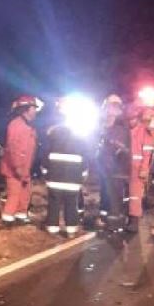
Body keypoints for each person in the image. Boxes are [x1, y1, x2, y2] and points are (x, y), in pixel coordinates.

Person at [41, 98, 89, 236]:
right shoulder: (80, 136)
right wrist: (83, 176)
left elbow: (45, 156)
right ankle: (71, 230)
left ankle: (52, 229)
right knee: (71, 204)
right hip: (73, 179)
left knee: (54, 204)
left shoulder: (52, 135)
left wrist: (45, 173)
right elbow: (85, 159)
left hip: (54, 177)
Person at [0, 94, 42, 226]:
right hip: (14, 169)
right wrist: (18, 168)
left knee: (25, 194)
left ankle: (20, 216)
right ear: (26, 109)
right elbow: (13, 148)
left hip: (25, 169)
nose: (35, 111)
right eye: (33, 108)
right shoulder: (16, 125)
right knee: (15, 195)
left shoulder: (29, 127)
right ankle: (7, 221)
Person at [97, 94, 130, 232]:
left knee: (115, 196)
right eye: (109, 107)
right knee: (105, 193)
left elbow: (122, 148)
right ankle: (105, 218)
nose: (110, 110)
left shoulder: (121, 127)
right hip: (104, 165)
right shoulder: (102, 124)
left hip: (116, 169)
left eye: (114, 107)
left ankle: (115, 224)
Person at [126, 108, 154, 233]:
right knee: (129, 194)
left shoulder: (145, 132)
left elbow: (147, 153)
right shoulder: (133, 130)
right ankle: (128, 216)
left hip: (138, 168)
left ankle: (134, 220)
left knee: (135, 196)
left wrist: (144, 169)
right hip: (128, 167)